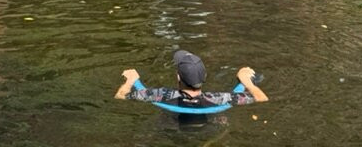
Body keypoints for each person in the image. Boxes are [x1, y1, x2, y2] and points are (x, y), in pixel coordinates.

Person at [114, 50, 268, 110]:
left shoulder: (160, 95)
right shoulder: (219, 99)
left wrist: (131, 80)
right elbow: (262, 99)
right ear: (205, 76)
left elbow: (120, 97)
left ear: (178, 77)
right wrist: (245, 81)